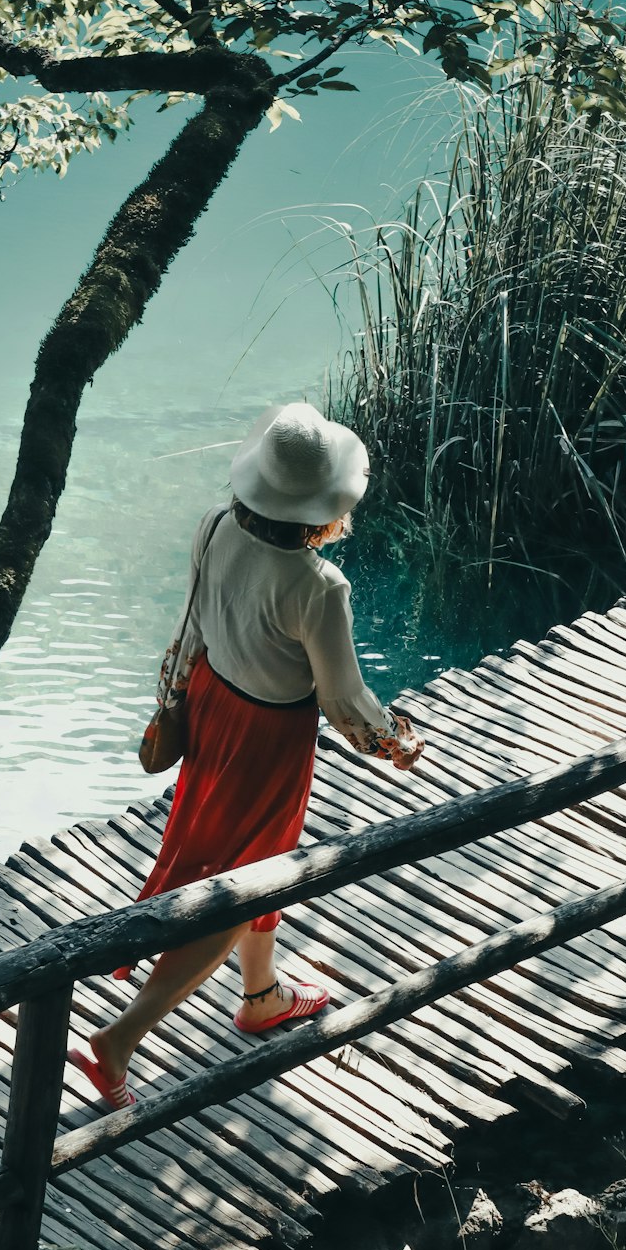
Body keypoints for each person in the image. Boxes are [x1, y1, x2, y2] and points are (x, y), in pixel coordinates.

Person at [69, 402, 425, 1109]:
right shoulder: (319, 587)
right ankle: (118, 1041)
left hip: (211, 708)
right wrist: (394, 742)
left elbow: (191, 625)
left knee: (254, 864)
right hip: (268, 741)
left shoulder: (215, 525)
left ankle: (261, 995)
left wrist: (174, 695)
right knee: (239, 889)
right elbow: (341, 699)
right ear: (327, 505)